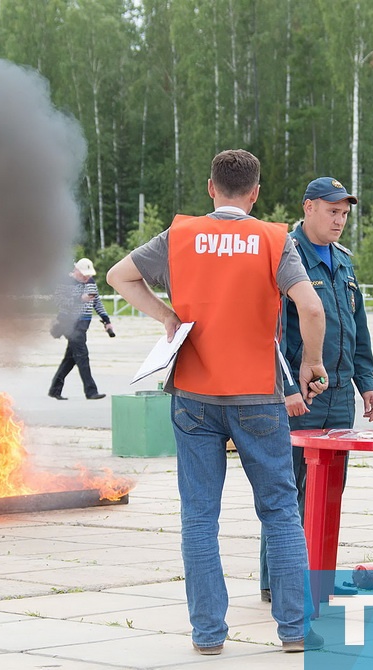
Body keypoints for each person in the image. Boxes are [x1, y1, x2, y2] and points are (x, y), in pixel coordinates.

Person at [107, 149, 328, 654]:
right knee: (279, 512)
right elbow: (311, 306)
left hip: (193, 395)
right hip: (258, 395)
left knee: (200, 516)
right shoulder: (275, 239)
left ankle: (208, 634)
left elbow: (119, 276)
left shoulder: (180, 236)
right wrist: (311, 362)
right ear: (254, 192)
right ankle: (294, 631)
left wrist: (166, 316)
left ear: (211, 188)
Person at [257, 177, 373, 603]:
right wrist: (287, 386)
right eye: (332, 211)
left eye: (345, 213)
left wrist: (367, 382)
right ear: (308, 207)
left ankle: (318, 577)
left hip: (340, 395)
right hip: (299, 396)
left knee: (331, 488)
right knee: (287, 490)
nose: (340, 220)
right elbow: (270, 333)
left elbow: (356, 328)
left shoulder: (343, 262)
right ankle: (278, 582)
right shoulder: (283, 255)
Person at [48, 257, 114, 400]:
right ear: (76, 270)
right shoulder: (65, 282)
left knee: (71, 358)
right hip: (68, 324)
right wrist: (79, 298)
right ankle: (91, 391)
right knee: (82, 356)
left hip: (83, 324)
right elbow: (58, 301)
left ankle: (55, 390)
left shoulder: (90, 282)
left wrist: (107, 321)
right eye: (83, 274)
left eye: (89, 274)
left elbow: (97, 302)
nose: (86, 277)